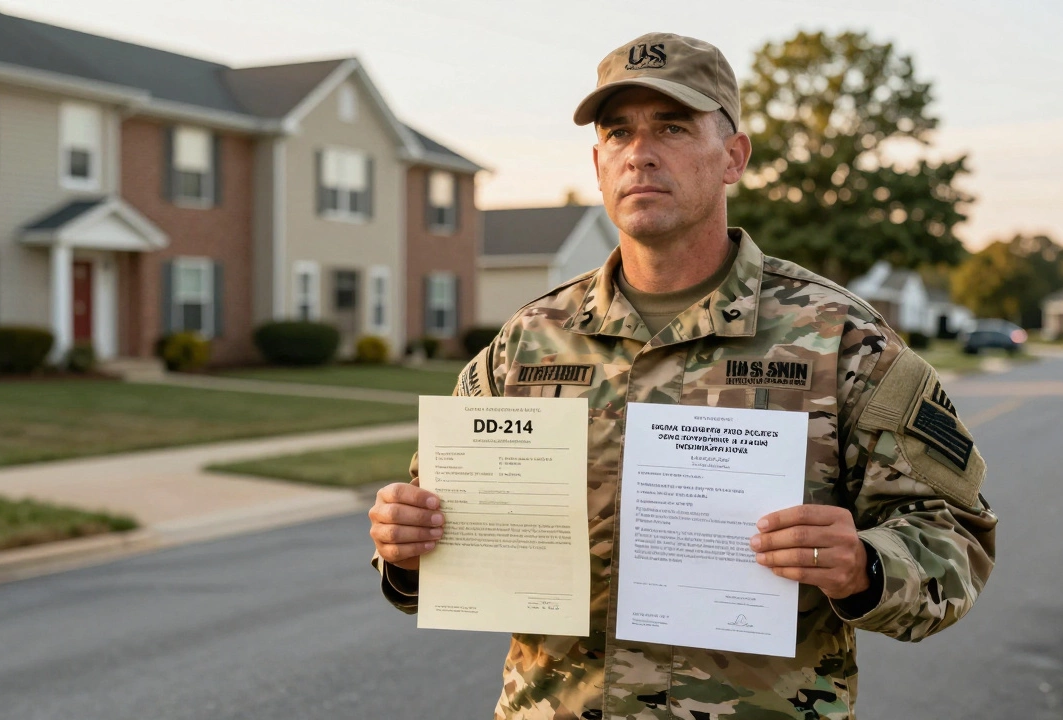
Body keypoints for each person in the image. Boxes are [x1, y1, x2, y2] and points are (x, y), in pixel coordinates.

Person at [368, 31, 997, 720]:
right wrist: (405, 547)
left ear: (734, 156)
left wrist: (863, 566)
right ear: (599, 162)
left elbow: (953, 538)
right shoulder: (527, 344)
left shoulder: (841, 338)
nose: (640, 152)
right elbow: (434, 541)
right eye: (619, 132)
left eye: (672, 126)